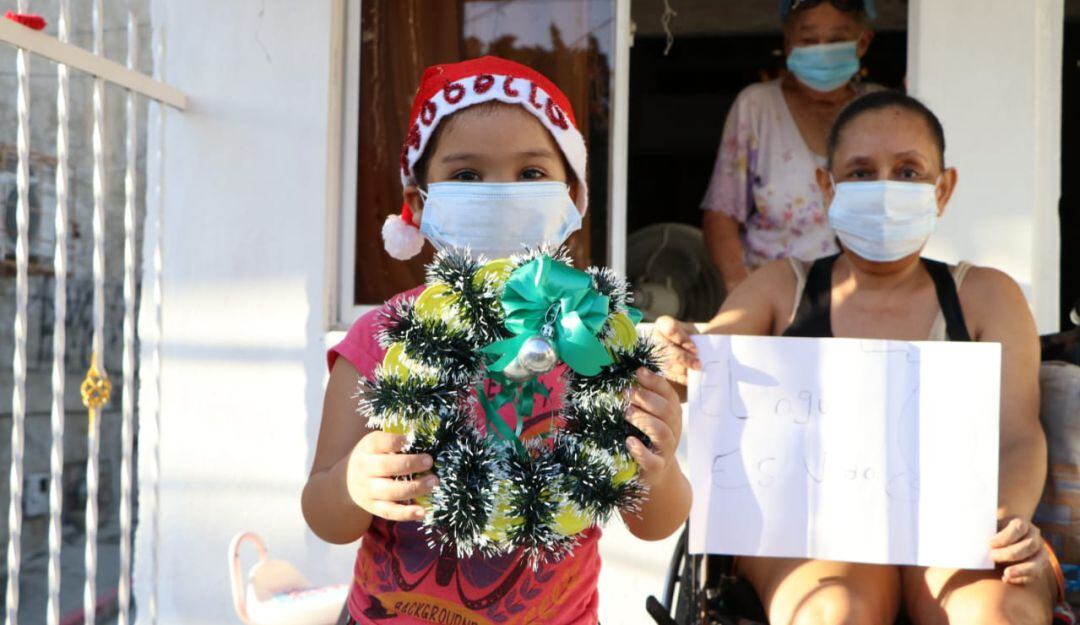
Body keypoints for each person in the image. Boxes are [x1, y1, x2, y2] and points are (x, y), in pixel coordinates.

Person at [301, 56, 691, 625]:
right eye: (467, 176)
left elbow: (653, 523)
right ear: (418, 203)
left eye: (531, 174)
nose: (502, 194)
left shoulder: (599, 338)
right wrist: (352, 483)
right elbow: (323, 515)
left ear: (572, 199)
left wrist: (662, 467)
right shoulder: (383, 339)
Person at [658, 91, 1068, 624]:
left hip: (956, 528)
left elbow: (1017, 433)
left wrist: (1007, 519)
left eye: (907, 171)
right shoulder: (779, 289)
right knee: (833, 611)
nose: (884, 189)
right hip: (807, 532)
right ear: (826, 187)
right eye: (860, 172)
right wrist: (685, 352)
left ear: (943, 189)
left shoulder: (987, 296)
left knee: (999, 613)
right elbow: (711, 352)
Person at [702, 0, 880, 293]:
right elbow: (721, 215)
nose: (822, 50)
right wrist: (744, 293)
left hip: (864, 301)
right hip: (775, 301)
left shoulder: (882, 110)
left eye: (836, 40)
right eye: (809, 40)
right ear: (789, 45)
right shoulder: (756, 106)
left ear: (862, 43)